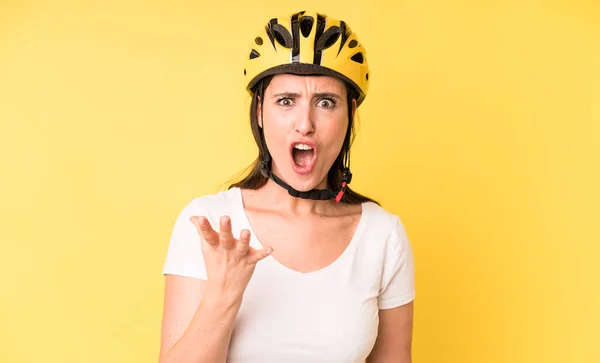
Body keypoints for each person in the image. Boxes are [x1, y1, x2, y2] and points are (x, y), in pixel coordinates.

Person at [158, 10, 416, 363]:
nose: (305, 125)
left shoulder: (383, 235)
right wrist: (224, 293)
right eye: (286, 101)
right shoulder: (210, 224)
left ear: (350, 115)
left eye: (326, 103)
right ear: (260, 112)